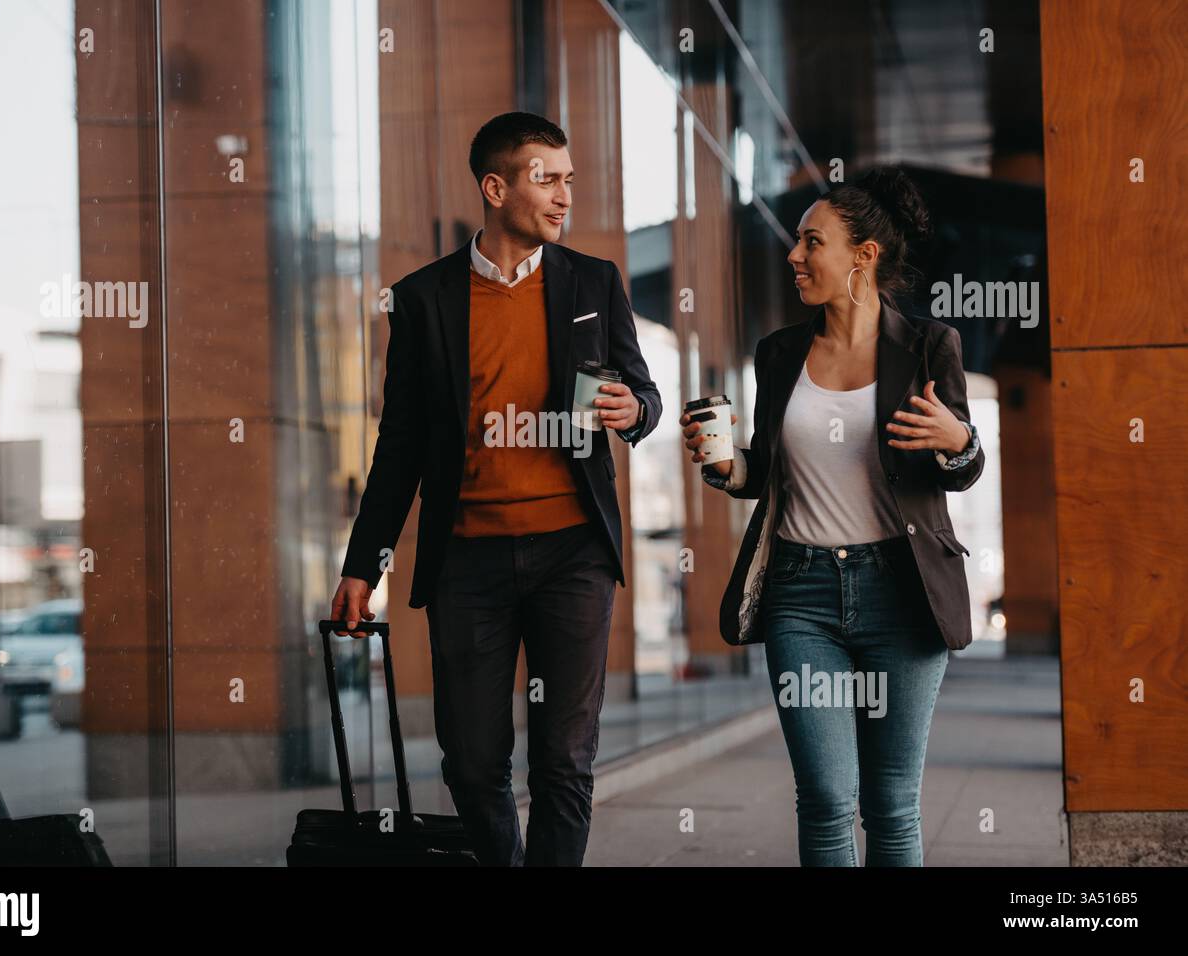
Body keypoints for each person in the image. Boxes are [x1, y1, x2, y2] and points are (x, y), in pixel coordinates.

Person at [331, 111, 661, 866]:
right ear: (495, 186)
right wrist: (363, 564)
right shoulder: (424, 299)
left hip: (572, 554)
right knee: (473, 765)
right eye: (546, 178)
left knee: (565, 761)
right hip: (467, 562)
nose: (563, 196)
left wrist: (635, 409)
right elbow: (402, 446)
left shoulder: (593, 282)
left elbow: (642, 393)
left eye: (568, 180)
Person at [681, 167, 984, 866]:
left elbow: (963, 468)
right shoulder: (780, 353)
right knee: (823, 798)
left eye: (811, 242)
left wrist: (959, 442)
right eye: (796, 242)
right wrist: (729, 470)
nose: (794, 256)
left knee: (892, 805)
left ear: (863, 256)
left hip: (903, 594)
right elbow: (765, 467)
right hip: (801, 595)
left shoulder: (930, 348)